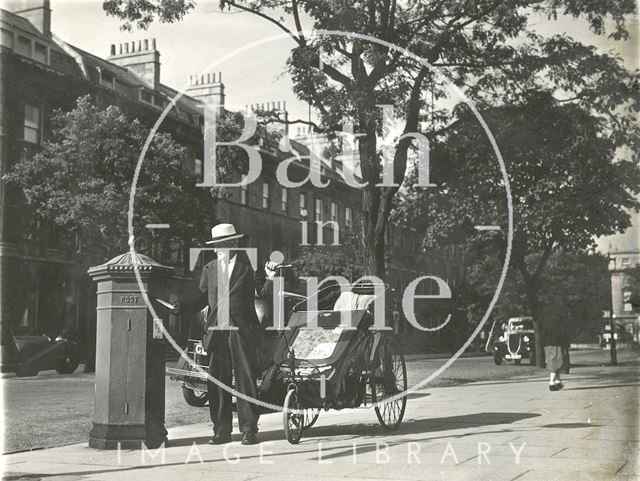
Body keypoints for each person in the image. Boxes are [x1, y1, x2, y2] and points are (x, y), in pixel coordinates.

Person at [199, 223, 261, 445]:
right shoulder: (209, 269)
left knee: (245, 381)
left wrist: (274, 277)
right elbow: (201, 298)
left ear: (233, 244)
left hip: (242, 330)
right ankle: (221, 431)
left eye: (221, 245)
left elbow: (263, 292)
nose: (216, 250)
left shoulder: (249, 267)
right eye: (215, 246)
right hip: (217, 332)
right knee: (217, 382)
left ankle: (249, 430)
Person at [542, 319, 569, 391]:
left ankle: (557, 381)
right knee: (556, 362)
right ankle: (551, 383)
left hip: (547, 344)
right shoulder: (558, 325)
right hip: (556, 343)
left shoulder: (545, 323)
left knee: (553, 362)